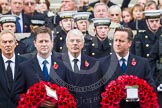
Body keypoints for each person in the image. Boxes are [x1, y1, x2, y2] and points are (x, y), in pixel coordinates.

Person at [100, 27, 155, 108]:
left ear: (129, 43)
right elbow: (98, 92)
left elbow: (151, 88)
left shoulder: (142, 63)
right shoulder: (102, 63)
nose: (117, 44)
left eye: (121, 41)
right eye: (115, 40)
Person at [14, 26, 67, 107]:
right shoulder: (24, 67)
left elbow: (69, 93)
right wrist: (35, 101)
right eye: (41, 41)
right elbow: (16, 95)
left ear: (52, 43)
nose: (44, 44)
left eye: (46, 41)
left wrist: (57, 102)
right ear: (35, 43)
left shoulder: (63, 66)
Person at [60, 29, 103, 108]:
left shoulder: (94, 63)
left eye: (78, 41)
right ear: (66, 44)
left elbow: (97, 90)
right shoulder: (58, 62)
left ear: (83, 44)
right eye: (72, 41)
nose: (75, 43)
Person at [0, 30, 27, 108]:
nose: (8, 45)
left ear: (16, 44)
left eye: (10, 41)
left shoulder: (26, 63)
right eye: (4, 42)